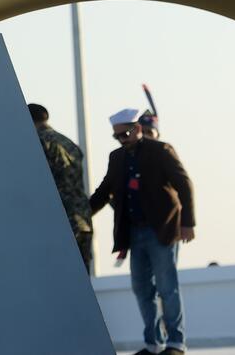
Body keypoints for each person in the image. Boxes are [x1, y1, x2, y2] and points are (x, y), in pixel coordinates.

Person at [90, 108, 195, 355]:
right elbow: (104, 192)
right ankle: (154, 343)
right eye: (117, 136)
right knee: (141, 288)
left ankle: (176, 343)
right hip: (133, 233)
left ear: (137, 128)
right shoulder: (117, 157)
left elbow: (184, 184)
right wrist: (77, 214)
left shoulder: (161, 151)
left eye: (125, 134)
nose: (122, 139)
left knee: (167, 286)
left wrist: (187, 223)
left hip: (162, 230)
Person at [27, 103, 94, 272]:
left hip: (59, 220)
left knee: (58, 276)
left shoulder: (38, 142)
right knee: (82, 279)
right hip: (81, 219)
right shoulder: (68, 143)